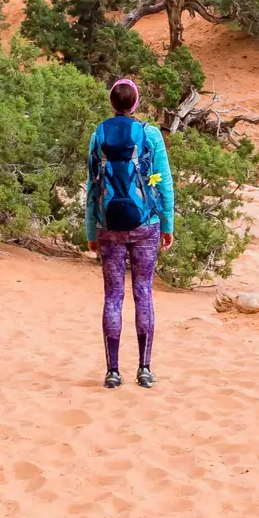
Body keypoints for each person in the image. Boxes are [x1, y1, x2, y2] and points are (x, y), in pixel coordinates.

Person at [85, 76, 174, 389]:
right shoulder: (149, 133)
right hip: (145, 224)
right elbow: (162, 181)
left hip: (108, 226)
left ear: (113, 103)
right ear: (135, 103)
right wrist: (167, 224)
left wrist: (90, 229)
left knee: (112, 297)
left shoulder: (99, 133)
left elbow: (92, 184)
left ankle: (112, 372)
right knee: (144, 293)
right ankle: (144, 369)